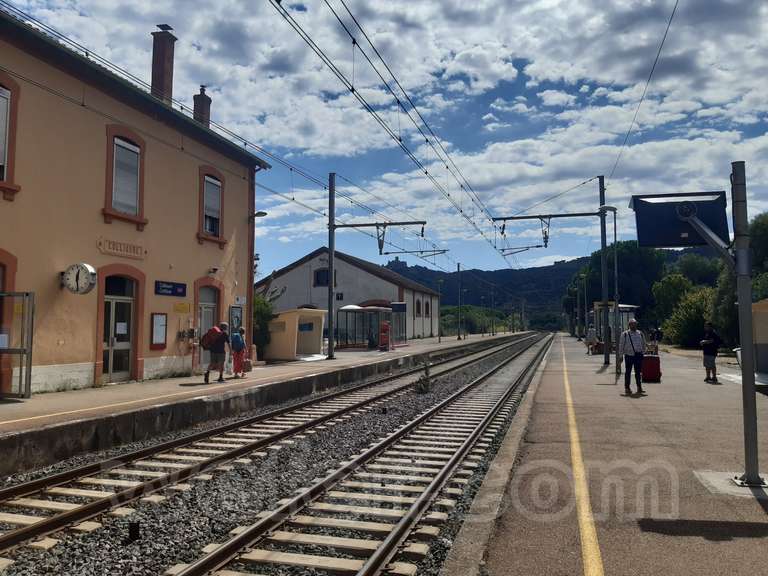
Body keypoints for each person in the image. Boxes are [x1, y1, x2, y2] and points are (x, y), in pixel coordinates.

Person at [619, 318, 646, 395]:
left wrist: (643, 352)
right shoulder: (625, 334)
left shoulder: (640, 333)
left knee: (638, 372)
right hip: (629, 355)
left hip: (638, 355)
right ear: (629, 325)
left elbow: (643, 343)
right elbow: (621, 345)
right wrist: (621, 356)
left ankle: (639, 387)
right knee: (628, 372)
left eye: (635, 324)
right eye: (633, 324)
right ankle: (627, 388)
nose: (634, 325)